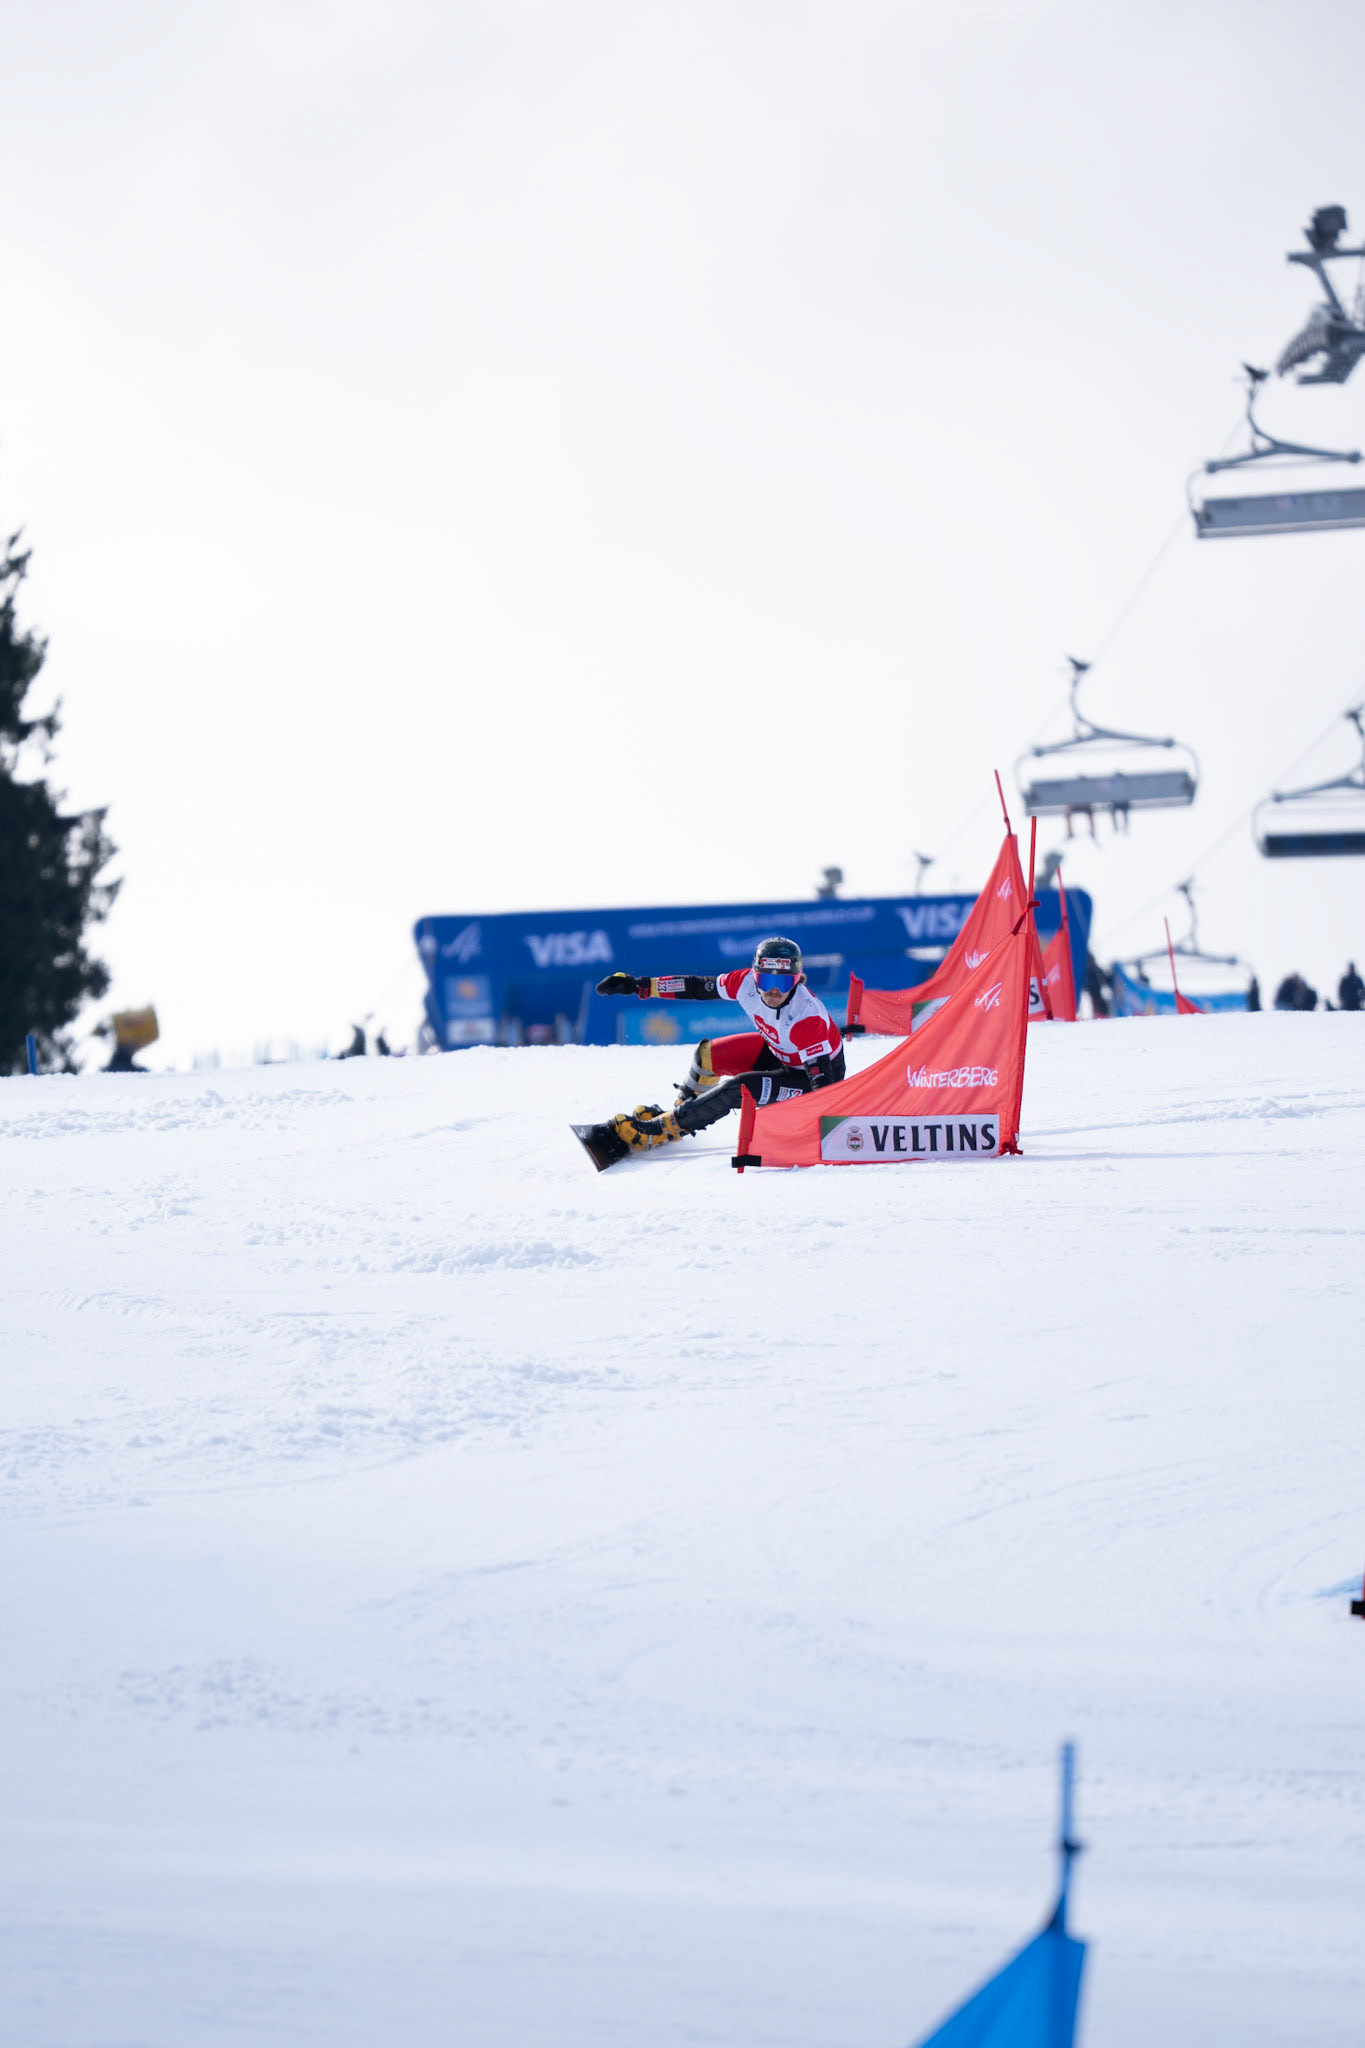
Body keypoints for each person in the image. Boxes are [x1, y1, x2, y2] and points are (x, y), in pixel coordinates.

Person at [594, 935, 844, 1153]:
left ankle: (661, 1130)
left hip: (809, 1079)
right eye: (767, 981)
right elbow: (695, 987)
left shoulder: (806, 1017)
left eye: (785, 982)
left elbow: (824, 1087)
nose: (775, 991)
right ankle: (678, 1117)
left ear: (797, 980)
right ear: (755, 976)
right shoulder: (744, 983)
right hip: (779, 1053)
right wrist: (640, 985)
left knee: (739, 1088)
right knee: (709, 1054)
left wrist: (821, 1133)